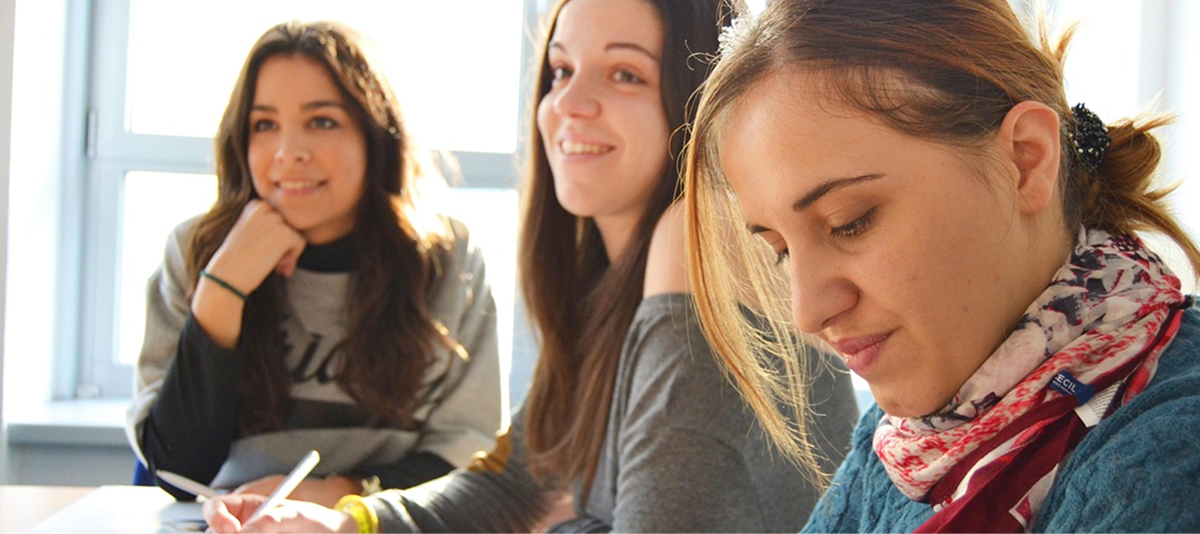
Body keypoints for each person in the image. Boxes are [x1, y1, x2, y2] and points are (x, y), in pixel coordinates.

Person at [201, 0, 859, 532]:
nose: (568, 104)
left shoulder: (696, 235)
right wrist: (346, 524)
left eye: (624, 74)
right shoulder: (605, 276)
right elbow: (520, 480)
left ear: (698, 98)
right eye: (560, 71)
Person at [683, 0, 1200, 531]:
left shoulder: (1171, 461)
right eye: (782, 251)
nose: (807, 312)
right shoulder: (912, 437)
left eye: (850, 221)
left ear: (1025, 160)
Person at [125, 21, 503, 508]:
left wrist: (340, 495)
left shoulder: (447, 259)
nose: (288, 153)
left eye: (322, 121)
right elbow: (177, 472)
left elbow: (469, 454)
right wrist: (221, 289)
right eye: (264, 125)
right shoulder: (196, 250)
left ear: (375, 135)